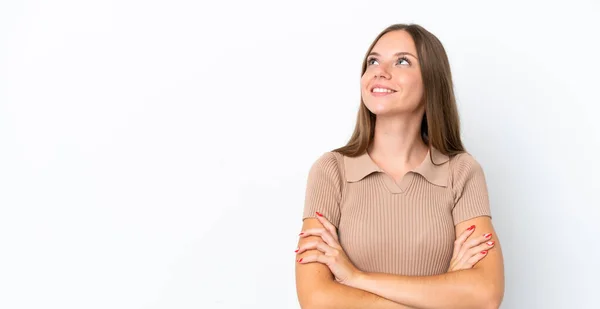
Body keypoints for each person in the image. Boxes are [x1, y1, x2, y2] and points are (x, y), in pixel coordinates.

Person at [294, 23, 505, 309]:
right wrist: (445, 293)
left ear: (432, 80)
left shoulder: (461, 171)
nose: (380, 71)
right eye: (373, 61)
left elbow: (485, 295)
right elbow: (316, 299)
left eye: (402, 61)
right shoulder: (331, 171)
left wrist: (355, 277)